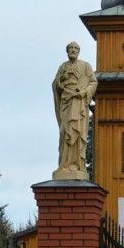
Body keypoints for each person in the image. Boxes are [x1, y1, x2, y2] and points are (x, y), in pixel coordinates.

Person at [52, 42, 98, 178]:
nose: (73, 50)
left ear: (79, 51)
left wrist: (84, 92)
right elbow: (55, 85)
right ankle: (64, 165)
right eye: (70, 48)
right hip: (66, 102)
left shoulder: (85, 66)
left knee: (77, 133)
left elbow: (93, 82)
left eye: (76, 48)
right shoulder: (63, 67)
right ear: (67, 51)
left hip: (78, 102)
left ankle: (77, 165)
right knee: (64, 132)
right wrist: (61, 79)